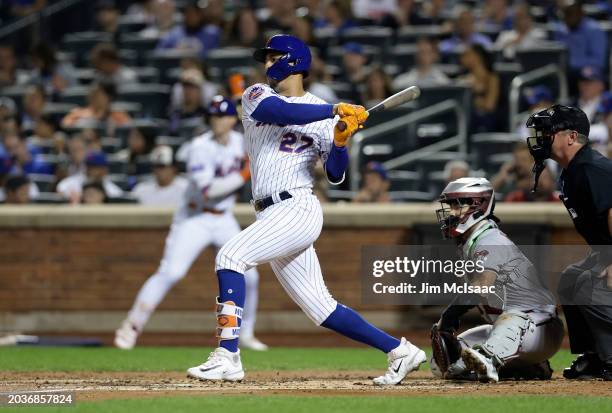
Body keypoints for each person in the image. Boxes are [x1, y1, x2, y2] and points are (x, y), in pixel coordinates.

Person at [185, 34, 426, 384]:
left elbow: (336, 174)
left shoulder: (325, 113)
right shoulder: (257, 95)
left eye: (273, 57)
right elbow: (280, 112)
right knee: (321, 308)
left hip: (297, 207)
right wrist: (333, 111)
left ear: (294, 60)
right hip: (269, 212)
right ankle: (400, 351)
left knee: (230, 257)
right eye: (265, 58)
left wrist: (340, 140)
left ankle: (228, 356)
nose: (267, 64)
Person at [115, 96, 267, 351]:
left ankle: (247, 333)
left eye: (222, 116)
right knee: (171, 272)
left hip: (224, 219)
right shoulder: (199, 147)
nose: (217, 121)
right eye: (214, 116)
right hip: (194, 218)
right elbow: (209, 190)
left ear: (232, 119)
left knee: (251, 277)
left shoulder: (241, 143)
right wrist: (244, 173)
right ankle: (131, 326)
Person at [430, 177, 563, 382]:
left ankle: (490, 361)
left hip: (537, 326)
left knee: (510, 322)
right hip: (514, 330)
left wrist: (449, 316)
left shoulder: (490, 240)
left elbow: (481, 287)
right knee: (441, 365)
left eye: (458, 204)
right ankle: (527, 368)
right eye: (450, 205)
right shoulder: (470, 242)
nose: (452, 212)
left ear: (479, 206)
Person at [526, 104, 612, 381]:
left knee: (590, 285)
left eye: (548, 132)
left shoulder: (592, 168)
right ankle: (595, 355)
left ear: (571, 137)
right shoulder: (573, 170)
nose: (541, 138)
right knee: (572, 278)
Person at [553, 0, 607, 84]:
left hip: (586, 70)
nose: (569, 18)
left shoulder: (594, 30)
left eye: (572, 13)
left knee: (588, 74)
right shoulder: (560, 30)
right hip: (563, 71)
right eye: (566, 14)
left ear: (581, 13)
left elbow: (598, 61)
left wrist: (570, 62)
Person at [490, 142, 557, 202]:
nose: (519, 163)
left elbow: (546, 187)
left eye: (523, 160)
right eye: (517, 159)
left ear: (533, 161)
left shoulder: (542, 173)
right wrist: (503, 172)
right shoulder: (513, 177)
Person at [457, 44, 500, 133]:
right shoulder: (463, 79)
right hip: (466, 117)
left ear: (478, 57)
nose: (462, 59)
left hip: (485, 120)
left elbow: (489, 105)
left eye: (467, 55)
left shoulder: (492, 78)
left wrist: (472, 97)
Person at [156, 1, 220, 59]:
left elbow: (218, 55)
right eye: (187, 13)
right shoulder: (173, 34)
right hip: (177, 69)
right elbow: (159, 55)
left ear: (200, 14)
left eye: (194, 12)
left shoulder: (212, 33)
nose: (191, 16)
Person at [56, 151, 123, 203]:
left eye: (94, 167)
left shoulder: (112, 189)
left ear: (104, 170)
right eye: (88, 166)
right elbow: (60, 189)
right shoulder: (72, 181)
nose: (89, 170)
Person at [61, 83, 131, 129]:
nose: (95, 98)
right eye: (93, 95)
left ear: (108, 98)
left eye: (99, 95)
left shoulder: (117, 114)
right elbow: (65, 124)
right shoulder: (79, 113)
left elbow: (127, 126)